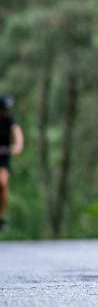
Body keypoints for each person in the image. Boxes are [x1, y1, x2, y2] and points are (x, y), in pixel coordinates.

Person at [0, 95, 25, 231]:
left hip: (2, 158)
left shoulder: (9, 120)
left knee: (2, 183)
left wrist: (17, 146)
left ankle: (1, 217)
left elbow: (17, 134)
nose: (7, 111)